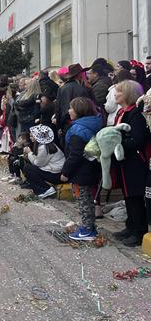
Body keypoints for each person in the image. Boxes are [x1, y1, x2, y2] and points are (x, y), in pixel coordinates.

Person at [111, 80, 150, 246]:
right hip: (124, 160)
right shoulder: (122, 112)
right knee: (127, 195)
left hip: (135, 161)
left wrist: (118, 143)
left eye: (119, 91)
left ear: (128, 94)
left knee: (135, 195)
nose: (115, 94)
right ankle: (131, 225)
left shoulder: (135, 114)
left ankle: (139, 231)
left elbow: (139, 139)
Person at [60, 98, 103, 241]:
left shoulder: (78, 129)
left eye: (71, 108)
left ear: (79, 111)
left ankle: (87, 230)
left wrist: (65, 172)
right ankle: (90, 227)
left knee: (84, 200)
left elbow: (75, 155)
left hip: (81, 172)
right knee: (89, 199)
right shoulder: (94, 123)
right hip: (91, 168)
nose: (69, 111)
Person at [22, 125, 66, 198]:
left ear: (38, 137)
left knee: (28, 168)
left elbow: (37, 163)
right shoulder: (47, 145)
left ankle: (45, 189)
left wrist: (29, 153)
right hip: (56, 173)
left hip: (56, 176)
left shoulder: (43, 147)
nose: (30, 138)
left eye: (32, 136)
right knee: (29, 166)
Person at [55, 64, 90, 137]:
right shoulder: (82, 89)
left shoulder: (62, 88)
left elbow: (58, 109)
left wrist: (58, 126)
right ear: (79, 75)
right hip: (80, 124)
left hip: (65, 124)